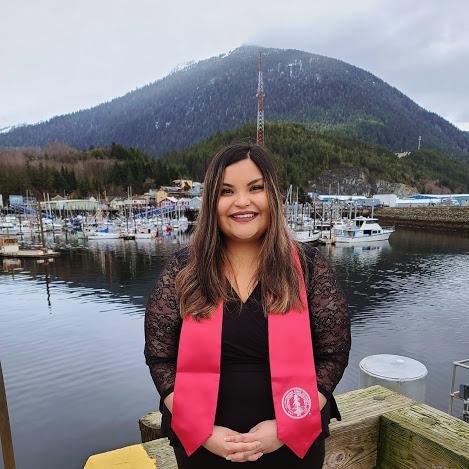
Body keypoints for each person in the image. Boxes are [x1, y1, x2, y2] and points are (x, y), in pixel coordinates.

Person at [144, 143, 351, 468]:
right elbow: (160, 358)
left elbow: (333, 355)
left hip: (291, 445)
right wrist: (202, 430)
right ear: (212, 202)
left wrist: (285, 428)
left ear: (273, 196)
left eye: (255, 188)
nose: (242, 201)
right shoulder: (182, 269)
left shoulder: (310, 267)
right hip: (202, 445)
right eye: (227, 191)